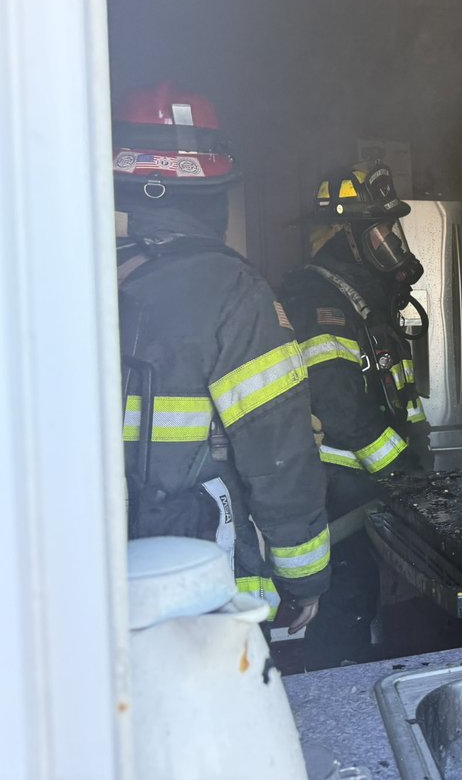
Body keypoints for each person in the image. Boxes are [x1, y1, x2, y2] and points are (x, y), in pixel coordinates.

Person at [115, 81, 330, 634]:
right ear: (213, 194)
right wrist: (304, 580)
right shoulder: (235, 292)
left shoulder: (67, 272)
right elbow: (280, 451)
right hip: (203, 573)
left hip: (89, 567)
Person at [279, 161, 432, 535]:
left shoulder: (363, 301)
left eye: (391, 232)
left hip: (373, 484)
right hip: (339, 488)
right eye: (381, 234)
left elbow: (396, 388)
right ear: (347, 238)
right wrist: (399, 467)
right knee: (354, 586)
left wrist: (420, 448)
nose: (393, 245)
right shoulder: (315, 297)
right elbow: (335, 400)